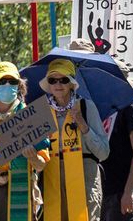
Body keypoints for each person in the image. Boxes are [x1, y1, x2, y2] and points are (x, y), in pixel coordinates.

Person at [38, 59, 110, 221]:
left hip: (85, 177)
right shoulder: (42, 111)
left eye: (63, 79)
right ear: (48, 85)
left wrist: (84, 127)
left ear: (72, 83)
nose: (58, 84)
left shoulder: (86, 107)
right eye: (53, 80)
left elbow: (104, 152)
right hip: (53, 180)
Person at [0, 62, 48, 221]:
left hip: (18, 189)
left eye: (12, 82)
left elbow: (41, 165)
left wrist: (33, 157)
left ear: (19, 86)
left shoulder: (30, 117)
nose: (7, 85)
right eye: (2, 82)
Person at [101, 79, 133, 221]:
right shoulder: (104, 107)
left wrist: (129, 191)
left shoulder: (131, 106)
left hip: (123, 190)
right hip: (106, 188)